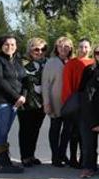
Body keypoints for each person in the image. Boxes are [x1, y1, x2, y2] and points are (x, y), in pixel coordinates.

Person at [0, 34, 26, 174]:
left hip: (14, 102)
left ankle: (0, 160)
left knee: (4, 130)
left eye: (13, 44)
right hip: (1, 101)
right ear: (1, 46)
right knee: (1, 131)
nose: (10, 47)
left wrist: (23, 96)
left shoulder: (17, 60)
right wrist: (17, 96)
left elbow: (23, 79)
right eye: (7, 44)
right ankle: (4, 162)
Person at [78, 42, 99, 178]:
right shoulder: (89, 70)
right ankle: (88, 167)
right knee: (88, 144)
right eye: (97, 53)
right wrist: (92, 121)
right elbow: (82, 93)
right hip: (89, 113)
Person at [61, 38, 94, 168]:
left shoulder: (93, 63)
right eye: (81, 47)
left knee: (84, 133)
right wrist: (69, 103)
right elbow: (67, 84)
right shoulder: (71, 63)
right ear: (77, 48)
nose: (83, 50)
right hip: (75, 103)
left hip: (88, 103)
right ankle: (73, 157)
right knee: (74, 133)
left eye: (86, 47)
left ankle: (84, 158)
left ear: (90, 49)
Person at [42, 36, 73, 167]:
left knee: (68, 130)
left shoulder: (72, 61)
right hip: (55, 102)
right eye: (60, 46)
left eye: (66, 46)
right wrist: (46, 102)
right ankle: (55, 156)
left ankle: (62, 153)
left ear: (70, 48)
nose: (63, 49)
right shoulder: (51, 62)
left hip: (69, 102)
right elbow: (45, 84)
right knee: (55, 129)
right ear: (56, 48)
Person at [17, 37, 47, 167]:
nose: (40, 52)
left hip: (41, 102)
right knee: (25, 130)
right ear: (30, 49)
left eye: (43, 49)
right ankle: (25, 156)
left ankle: (31, 155)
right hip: (26, 101)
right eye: (36, 49)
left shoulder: (46, 63)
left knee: (35, 129)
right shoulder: (22, 63)